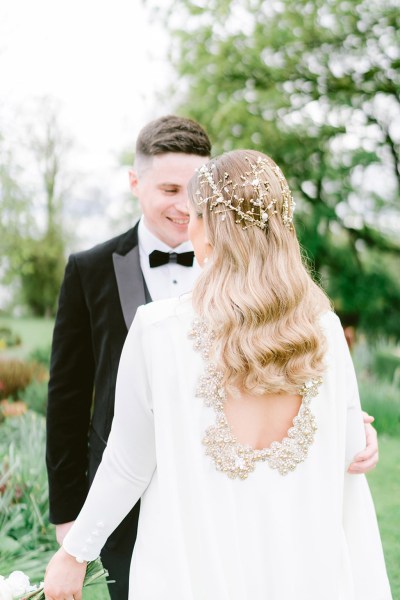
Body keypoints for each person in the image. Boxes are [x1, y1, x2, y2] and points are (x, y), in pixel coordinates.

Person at [44, 150, 391, 599]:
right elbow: (350, 449)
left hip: (197, 576)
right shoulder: (323, 327)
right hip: (305, 577)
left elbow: (127, 466)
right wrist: (361, 435)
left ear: (207, 229)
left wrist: (74, 554)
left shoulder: (159, 332)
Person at [45, 115, 212, 600]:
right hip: (122, 501)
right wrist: (68, 512)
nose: (185, 206)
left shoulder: (238, 269)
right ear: (135, 182)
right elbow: (67, 395)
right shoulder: (89, 269)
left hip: (215, 487)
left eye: (197, 189)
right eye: (169, 189)